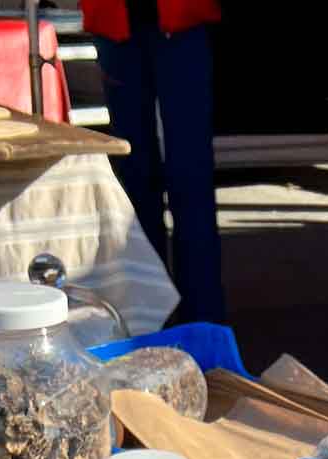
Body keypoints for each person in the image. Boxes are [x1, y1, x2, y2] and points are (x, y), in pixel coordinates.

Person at [85, 0, 227, 325]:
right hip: (116, 25)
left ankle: (204, 324)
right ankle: (145, 316)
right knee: (133, 179)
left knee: (191, 182)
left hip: (183, 22)